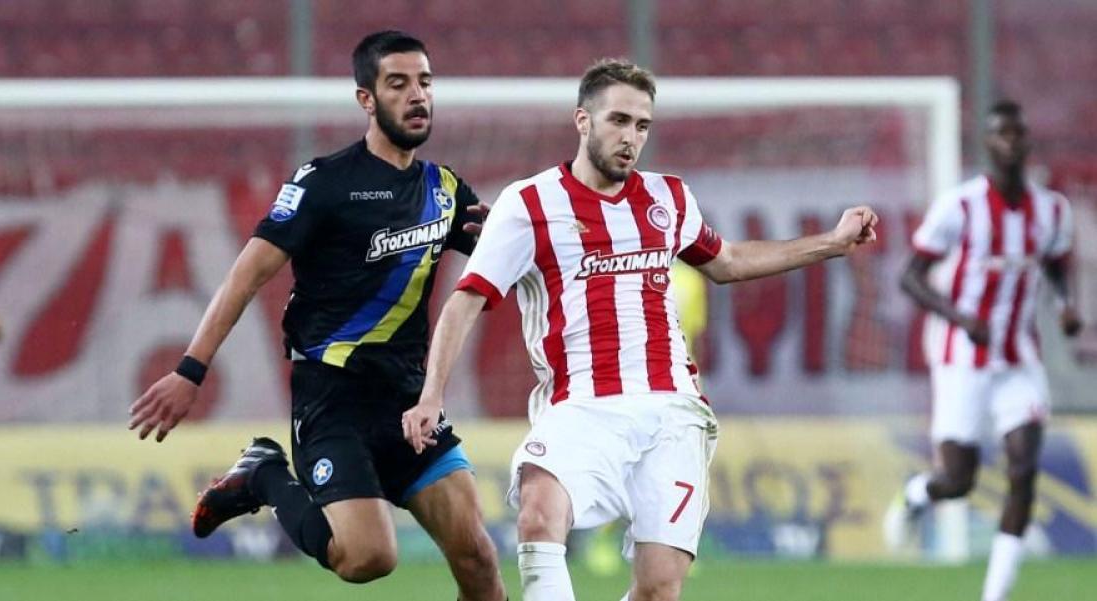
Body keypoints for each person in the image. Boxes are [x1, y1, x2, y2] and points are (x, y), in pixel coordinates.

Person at [401, 58, 878, 601]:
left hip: (672, 410)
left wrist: (832, 242)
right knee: (538, 512)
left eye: (642, 125)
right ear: (583, 120)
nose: (631, 138)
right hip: (581, 405)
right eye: (619, 121)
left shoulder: (668, 197)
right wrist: (431, 395)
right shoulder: (528, 204)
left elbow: (728, 261)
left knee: (658, 589)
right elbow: (465, 301)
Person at [128, 31, 506, 600]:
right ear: (366, 99)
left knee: (477, 558)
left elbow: (501, 256)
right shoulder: (324, 184)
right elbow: (245, 277)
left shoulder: (444, 189)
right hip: (333, 400)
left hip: (408, 401)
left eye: (425, 82)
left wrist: (519, 236)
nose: (417, 95)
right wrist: (190, 370)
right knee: (369, 558)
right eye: (398, 84)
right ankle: (263, 474)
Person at [884, 100, 1081, 601]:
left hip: (1018, 360)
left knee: (1023, 470)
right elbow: (910, 276)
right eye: (1001, 133)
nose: (1011, 141)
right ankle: (917, 495)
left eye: (1018, 133)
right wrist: (961, 319)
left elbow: (1057, 265)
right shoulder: (960, 206)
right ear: (988, 144)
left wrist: (1065, 305)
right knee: (958, 481)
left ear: (1027, 141)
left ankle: (995, 595)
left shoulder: (1052, 210)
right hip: (961, 361)